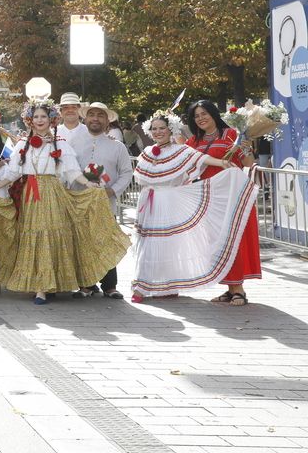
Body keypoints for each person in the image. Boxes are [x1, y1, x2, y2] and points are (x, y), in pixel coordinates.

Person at [0, 97, 130, 305]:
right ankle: (39, 286)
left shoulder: (60, 143)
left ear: (51, 120)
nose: (39, 120)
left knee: (50, 234)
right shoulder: (23, 143)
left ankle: (48, 285)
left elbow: (73, 171)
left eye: (43, 116)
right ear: (30, 120)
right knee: (33, 235)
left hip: (53, 192)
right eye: (36, 116)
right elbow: (12, 173)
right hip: (30, 194)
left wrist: (89, 184)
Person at [130, 110, 254, 302]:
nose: (158, 132)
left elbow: (201, 159)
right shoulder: (146, 152)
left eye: (162, 128)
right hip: (149, 202)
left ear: (170, 129)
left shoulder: (180, 150)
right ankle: (142, 286)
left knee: (168, 244)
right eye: (154, 129)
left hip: (169, 201)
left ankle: (165, 285)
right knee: (147, 243)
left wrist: (223, 163)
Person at [185, 99, 261, 305]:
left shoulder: (232, 135)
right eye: (196, 116)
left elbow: (248, 163)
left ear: (213, 114)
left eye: (204, 114)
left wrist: (246, 149)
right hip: (209, 199)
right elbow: (186, 166)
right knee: (217, 243)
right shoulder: (193, 141)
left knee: (233, 240)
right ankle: (229, 288)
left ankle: (238, 289)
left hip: (232, 196)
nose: (200, 118)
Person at [68, 102, 135, 299]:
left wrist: (112, 191)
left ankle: (110, 285)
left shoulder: (117, 146)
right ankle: (86, 285)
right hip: (80, 202)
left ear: (107, 121)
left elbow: (126, 172)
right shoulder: (73, 143)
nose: (95, 118)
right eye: (91, 115)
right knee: (83, 241)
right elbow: (67, 169)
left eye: (100, 115)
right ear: (85, 119)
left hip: (106, 203)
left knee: (106, 241)